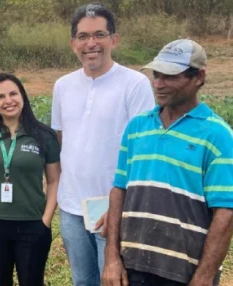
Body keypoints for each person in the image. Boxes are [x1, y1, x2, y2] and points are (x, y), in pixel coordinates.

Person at [102, 39, 233, 286]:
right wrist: (112, 257)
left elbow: (226, 212)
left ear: (198, 77)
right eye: (156, 75)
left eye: (170, 76)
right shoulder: (137, 127)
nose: (158, 84)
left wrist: (204, 276)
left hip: (185, 272)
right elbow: (119, 191)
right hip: (134, 266)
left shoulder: (217, 135)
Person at [51, 4, 155, 285]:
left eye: (99, 34)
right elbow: (61, 141)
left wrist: (119, 208)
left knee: (114, 280)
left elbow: (143, 152)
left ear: (114, 39)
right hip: (72, 207)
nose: (91, 43)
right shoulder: (62, 86)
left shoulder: (135, 85)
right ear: (73, 43)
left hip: (113, 209)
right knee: (82, 280)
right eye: (83, 36)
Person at [0, 73, 61, 286]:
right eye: (0, 97)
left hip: (32, 224)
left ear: (23, 97)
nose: (8, 101)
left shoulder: (43, 135)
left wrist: (45, 220)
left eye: (13, 93)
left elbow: (55, 180)